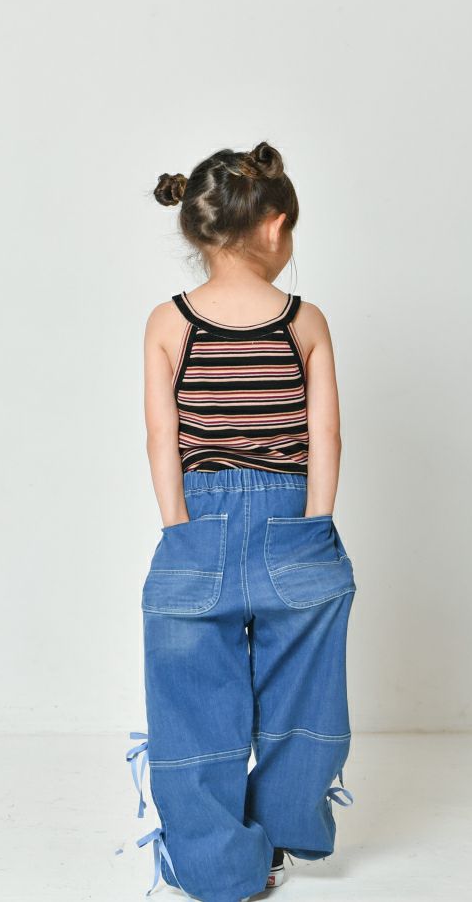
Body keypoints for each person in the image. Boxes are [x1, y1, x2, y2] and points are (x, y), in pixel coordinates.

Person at [127, 142, 356, 902]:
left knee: (191, 700)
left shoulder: (170, 322)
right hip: (295, 517)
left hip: (198, 520)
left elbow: (162, 438)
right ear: (275, 225)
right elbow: (326, 436)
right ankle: (282, 832)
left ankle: (221, 869)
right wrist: (315, 523)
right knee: (304, 695)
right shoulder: (303, 320)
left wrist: (178, 526)